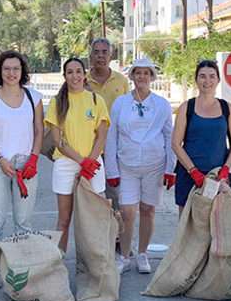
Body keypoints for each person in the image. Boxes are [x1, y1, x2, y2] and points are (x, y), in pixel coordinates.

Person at [0, 50, 43, 290]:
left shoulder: (33, 97)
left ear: (22, 71)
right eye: (6, 69)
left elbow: (39, 130)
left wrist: (34, 158)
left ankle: (21, 265)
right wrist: (0, 158)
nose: (11, 73)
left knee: (23, 220)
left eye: (16, 68)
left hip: (26, 164)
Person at [104, 58, 174, 274]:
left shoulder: (161, 104)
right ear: (132, 76)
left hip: (154, 164)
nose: (142, 77)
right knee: (126, 211)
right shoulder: (120, 103)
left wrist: (170, 169)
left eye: (146, 73)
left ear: (152, 77)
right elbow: (111, 136)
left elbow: (169, 136)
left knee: (148, 210)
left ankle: (143, 254)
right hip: (127, 164)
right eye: (138, 73)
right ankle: (124, 255)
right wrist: (111, 170)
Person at [45, 57, 110, 253]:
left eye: (78, 71)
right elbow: (58, 141)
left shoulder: (96, 100)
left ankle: (95, 264)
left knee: (94, 220)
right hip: (66, 164)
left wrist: (90, 162)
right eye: (70, 72)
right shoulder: (57, 102)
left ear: (84, 74)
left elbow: (101, 136)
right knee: (64, 220)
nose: (75, 76)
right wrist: (82, 162)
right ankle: (59, 263)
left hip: (93, 165)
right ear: (64, 76)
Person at [171, 60, 231, 214]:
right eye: (202, 76)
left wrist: (225, 170)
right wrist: (193, 171)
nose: (207, 81)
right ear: (196, 80)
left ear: (218, 80)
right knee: (187, 228)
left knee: (215, 227)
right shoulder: (186, 107)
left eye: (212, 76)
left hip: (216, 177)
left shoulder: (226, 108)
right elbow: (175, 144)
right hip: (189, 176)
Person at [86, 38, 130, 256]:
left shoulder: (121, 82)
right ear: (90, 55)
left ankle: (120, 241)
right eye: (96, 52)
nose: (101, 56)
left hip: (115, 149)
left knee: (117, 198)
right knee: (92, 197)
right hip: (87, 150)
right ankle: (96, 242)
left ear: (111, 55)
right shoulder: (80, 80)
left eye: (105, 52)